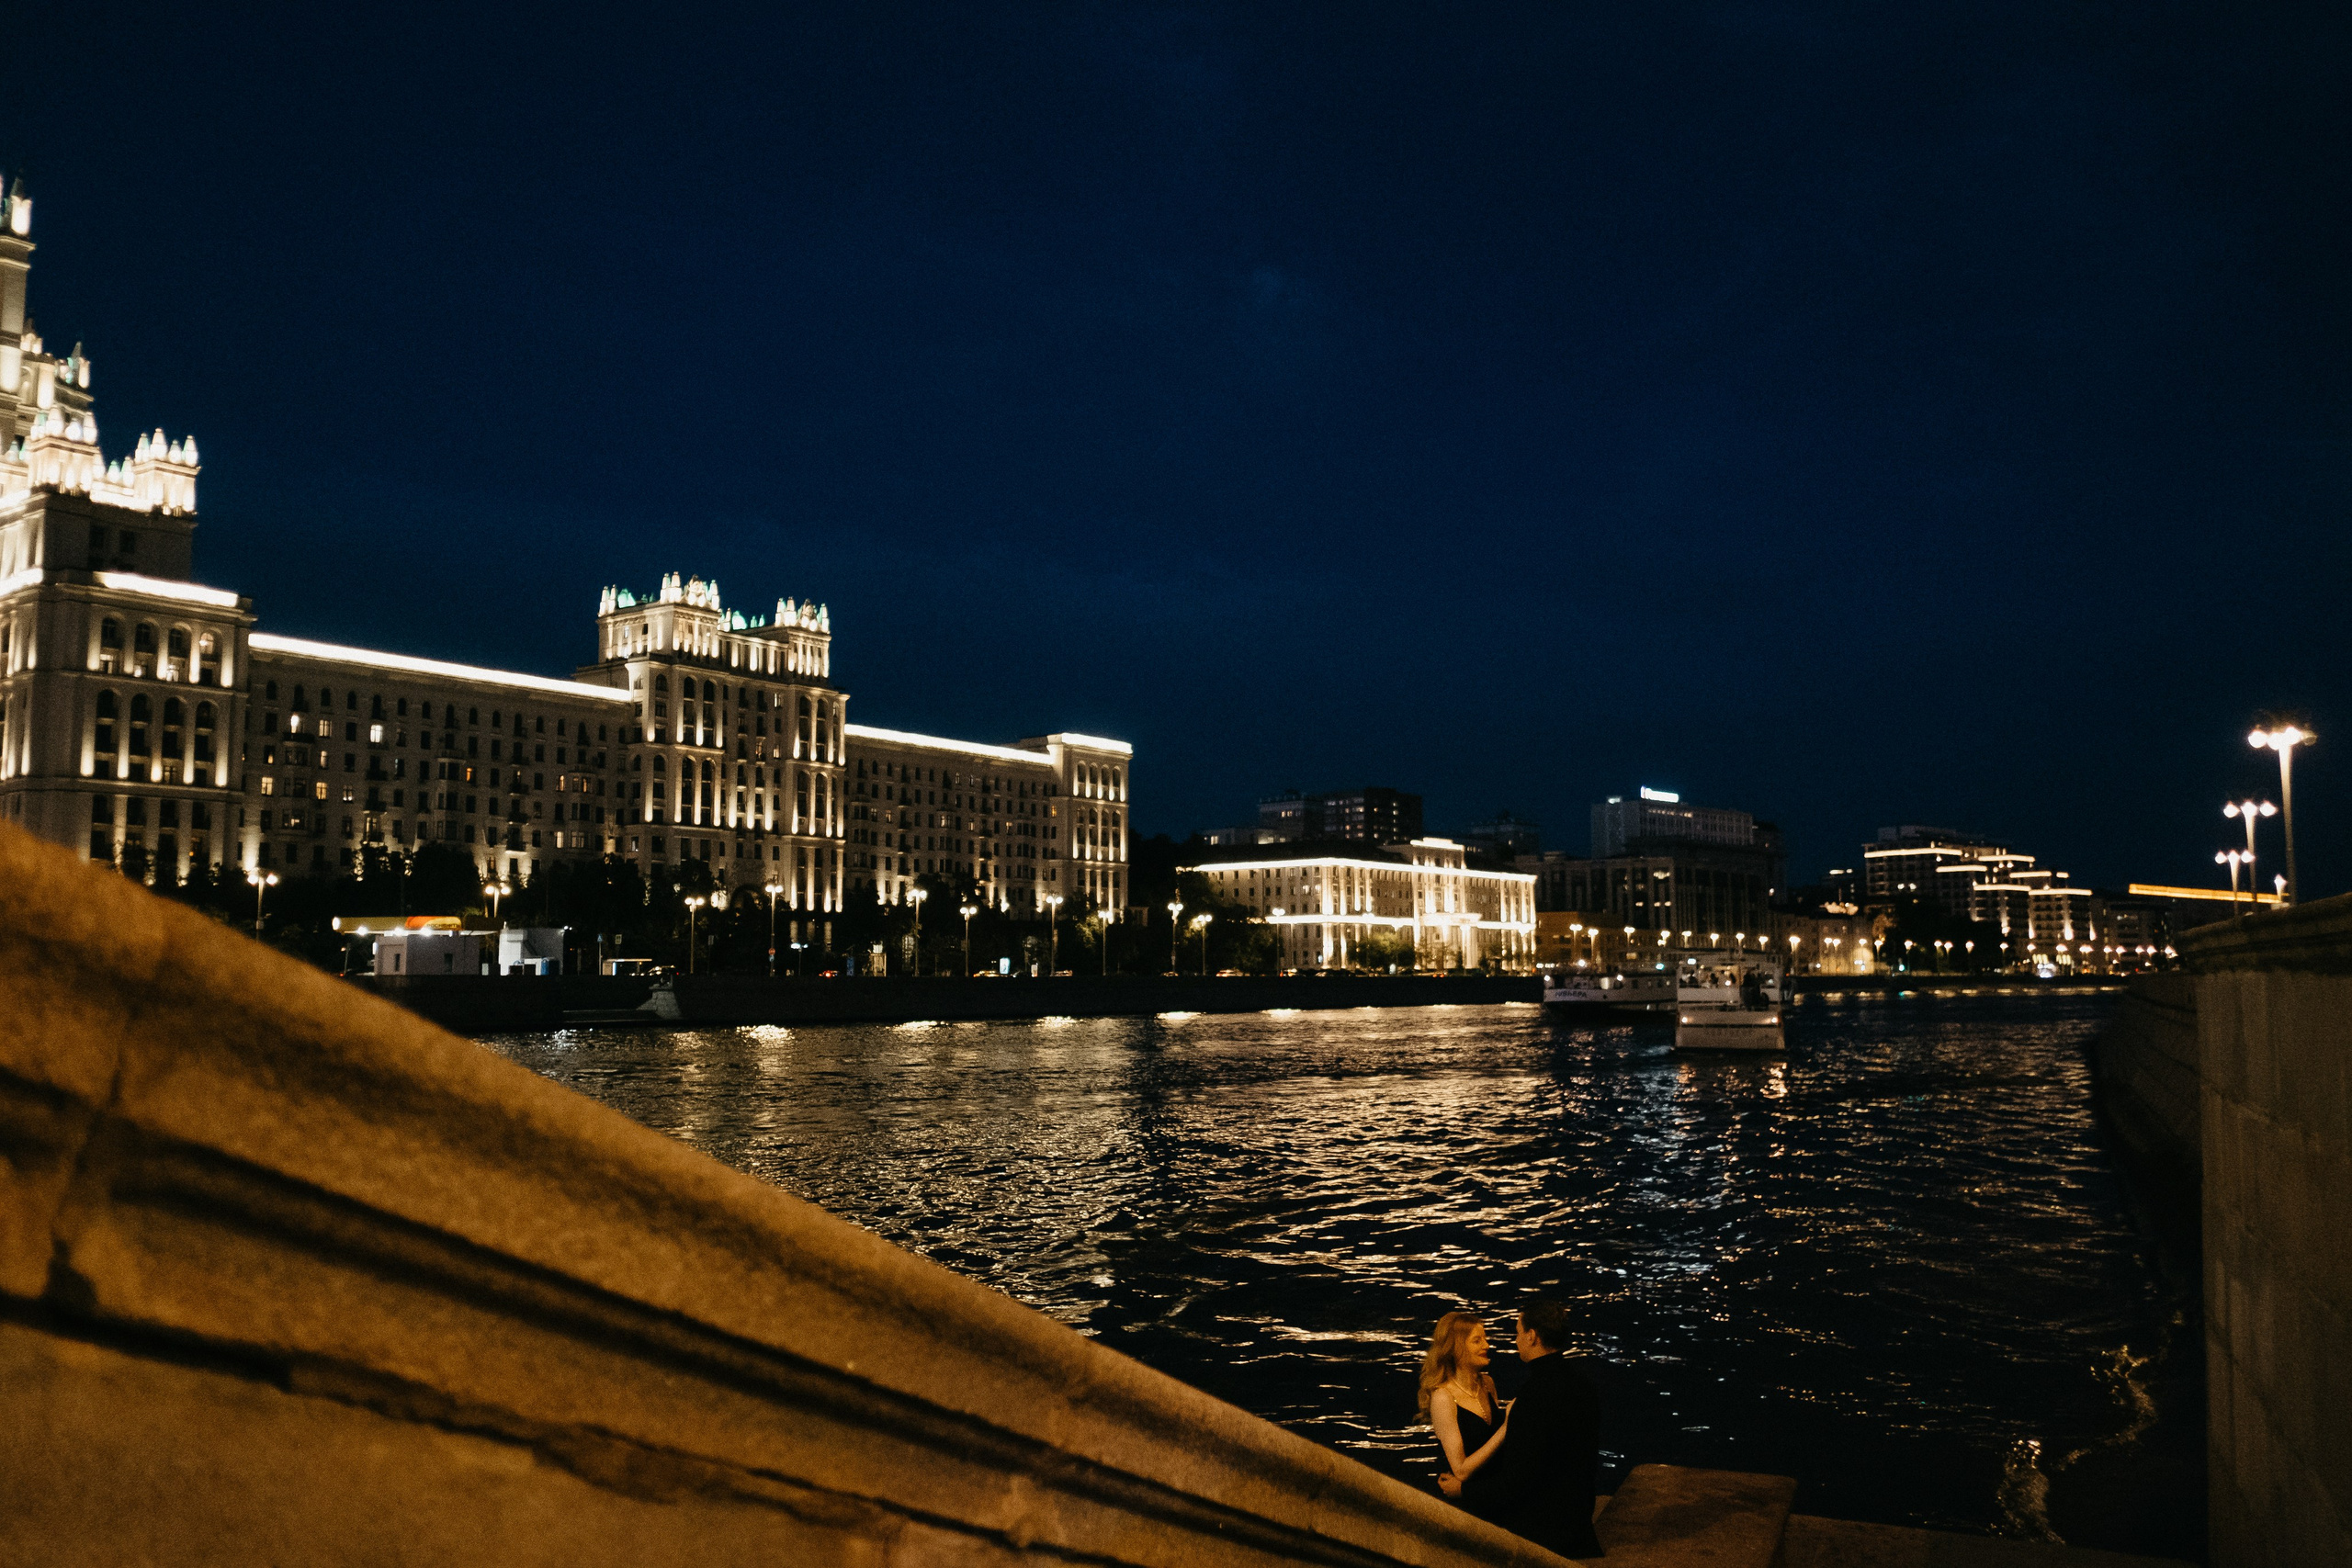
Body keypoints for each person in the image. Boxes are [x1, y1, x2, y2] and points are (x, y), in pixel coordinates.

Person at [1461, 1296, 1604, 1559]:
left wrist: (1463, 1491)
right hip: (1578, 1517)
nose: (1516, 1341)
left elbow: (1517, 1480)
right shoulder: (1582, 1384)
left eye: (1518, 1333)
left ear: (1532, 1337)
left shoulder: (1533, 1396)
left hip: (1545, 1529)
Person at [1418, 1312, 1510, 1507]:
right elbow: (1460, 1470)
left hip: (1491, 1495)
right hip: (1465, 1503)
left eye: (1485, 1339)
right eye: (1477, 1341)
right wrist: (1506, 1428)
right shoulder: (1443, 1397)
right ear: (1457, 1348)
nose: (1486, 1345)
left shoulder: (1487, 1384)